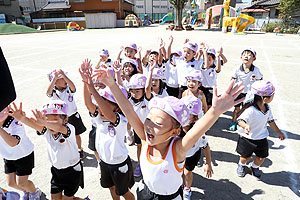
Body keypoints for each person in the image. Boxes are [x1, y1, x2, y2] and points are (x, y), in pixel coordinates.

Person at [92, 66, 245, 199]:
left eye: (157, 124)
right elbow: (129, 110)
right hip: (145, 192)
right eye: (148, 120)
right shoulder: (145, 139)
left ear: (174, 132)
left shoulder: (177, 150)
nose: (149, 126)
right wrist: (112, 85)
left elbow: (197, 131)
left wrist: (215, 111)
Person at [9, 101, 87, 200]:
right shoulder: (47, 132)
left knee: (67, 199)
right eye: (47, 119)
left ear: (66, 120)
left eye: (54, 120)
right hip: (56, 171)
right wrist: (22, 118)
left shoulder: (69, 129)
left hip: (72, 171)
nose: (50, 124)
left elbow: (59, 127)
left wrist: (46, 123)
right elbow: (34, 125)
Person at [79, 60, 135, 200]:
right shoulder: (99, 119)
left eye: (105, 102)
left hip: (119, 164)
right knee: (111, 188)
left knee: (124, 192)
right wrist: (86, 84)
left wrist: (92, 88)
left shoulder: (120, 121)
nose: (100, 106)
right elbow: (88, 103)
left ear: (117, 107)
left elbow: (109, 113)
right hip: (104, 162)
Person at [236, 80, 285, 178]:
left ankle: (254, 166)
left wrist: (278, 132)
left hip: (261, 138)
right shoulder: (250, 110)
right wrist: (245, 126)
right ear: (265, 98)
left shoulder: (267, 107)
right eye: (272, 95)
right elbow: (240, 120)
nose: (273, 97)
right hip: (247, 138)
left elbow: (271, 121)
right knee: (245, 157)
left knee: (261, 157)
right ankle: (241, 165)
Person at [0, 105, 41, 200]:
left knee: (22, 182)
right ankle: (26, 191)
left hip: (23, 155)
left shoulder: (15, 122)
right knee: (11, 183)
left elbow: (13, 142)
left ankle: (34, 192)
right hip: (8, 156)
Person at [46, 69, 86, 159]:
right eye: (62, 79)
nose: (65, 81)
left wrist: (64, 76)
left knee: (76, 134)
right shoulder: (53, 92)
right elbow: (48, 92)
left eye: (65, 78)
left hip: (72, 115)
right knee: (62, 134)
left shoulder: (68, 89)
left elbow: (73, 87)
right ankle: (67, 151)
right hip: (60, 118)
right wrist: (54, 79)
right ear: (55, 82)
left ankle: (79, 149)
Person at [180, 95, 213, 200]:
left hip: (192, 155)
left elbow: (206, 147)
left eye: (188, 114)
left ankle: (187, 188)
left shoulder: (198, 132)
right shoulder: (174, 126)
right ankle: (179, 185)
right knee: (179, 171)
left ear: (195, 118)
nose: (183, 116)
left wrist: (208, 163)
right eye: (182, 112)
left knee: (188, 172)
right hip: (178, 155)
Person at [229, 48, 263, 131]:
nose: (246, 56)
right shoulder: (237, 69)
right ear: (241, 57)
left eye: (249, 55)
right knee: (237, 109)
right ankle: (234, 122)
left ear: (254, 58)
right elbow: (232, 79)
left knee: (247, 110)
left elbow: (260, 80)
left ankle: (243, 124)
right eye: (244, 55)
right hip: (238, 92)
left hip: (249, 94)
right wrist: (230, 90)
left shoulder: (256, 70)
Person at [127, 73, 152, 177]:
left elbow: (147, 87)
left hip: (150, 129)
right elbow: (129, 117)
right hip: (138, 129)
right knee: (139, 146)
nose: (134, 94)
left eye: (137, 91)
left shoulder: (147, 99)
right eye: (132, 91)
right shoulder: (130, 101)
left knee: (151, 147)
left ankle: (151, 165)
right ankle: (140, 164)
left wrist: (151, 70)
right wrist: (128, 131)